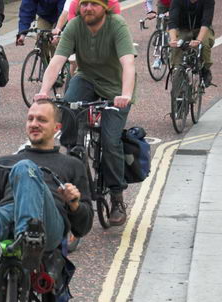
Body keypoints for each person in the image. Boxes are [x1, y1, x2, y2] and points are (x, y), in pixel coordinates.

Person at [0, 99, 93, 291]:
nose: (34, 124)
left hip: (47, 226)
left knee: (25, 168)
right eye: (31, 119)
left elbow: (83, 227)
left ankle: (29, 237)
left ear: (56, 127)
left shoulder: (72, 164)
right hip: (9, 217)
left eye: (41, 120)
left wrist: (74, 204)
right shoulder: (6, 161)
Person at [35, 0, 136, 226]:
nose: (88, 8)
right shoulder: (74, 25)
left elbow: (128, 64)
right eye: (84, 4)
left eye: (94, 4)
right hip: (87, 78)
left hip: (116, 87)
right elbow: (57, 60)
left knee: (110, 141)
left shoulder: (117, 25)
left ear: (105, 7)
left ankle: (117, 197)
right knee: (68, 110)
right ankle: (74, 159)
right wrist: (43, 92)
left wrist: (126, 95)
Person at [168, 0, 215, 87]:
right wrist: (173, 40)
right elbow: (172, 21)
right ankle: (177, 72)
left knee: (204, 45)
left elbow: (206, 21)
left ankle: (205, 70)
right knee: (177, 47)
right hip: (183, 29)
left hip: (201, 28)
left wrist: (199, 40)